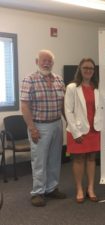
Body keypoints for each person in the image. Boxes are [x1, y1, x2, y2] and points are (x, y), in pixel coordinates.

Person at [21, 49, 66, 207]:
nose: (47, 63)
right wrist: (32, 128)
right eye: (43, 60)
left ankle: (52, 188)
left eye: (49, 61)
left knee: (55, 159)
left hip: (56, 124)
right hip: (39, 126)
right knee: (39, 161)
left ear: (53, 63)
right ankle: (38, 192)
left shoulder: (59, 80)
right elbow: (25, 106)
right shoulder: (30, 80)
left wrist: (68, 124)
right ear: (37, 62)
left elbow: (62, 105)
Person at [64, 58, 101, 203]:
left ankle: (90, 188)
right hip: (77, 129)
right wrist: (75, 132)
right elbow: (68, 111)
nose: (88, 70)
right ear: (79, 69)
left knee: (92, 159)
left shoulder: (96, 87)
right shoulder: (72, 87)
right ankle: (79, 189)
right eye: (85, 67)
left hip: (94, 129)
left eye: (91, 68)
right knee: (78, 159)